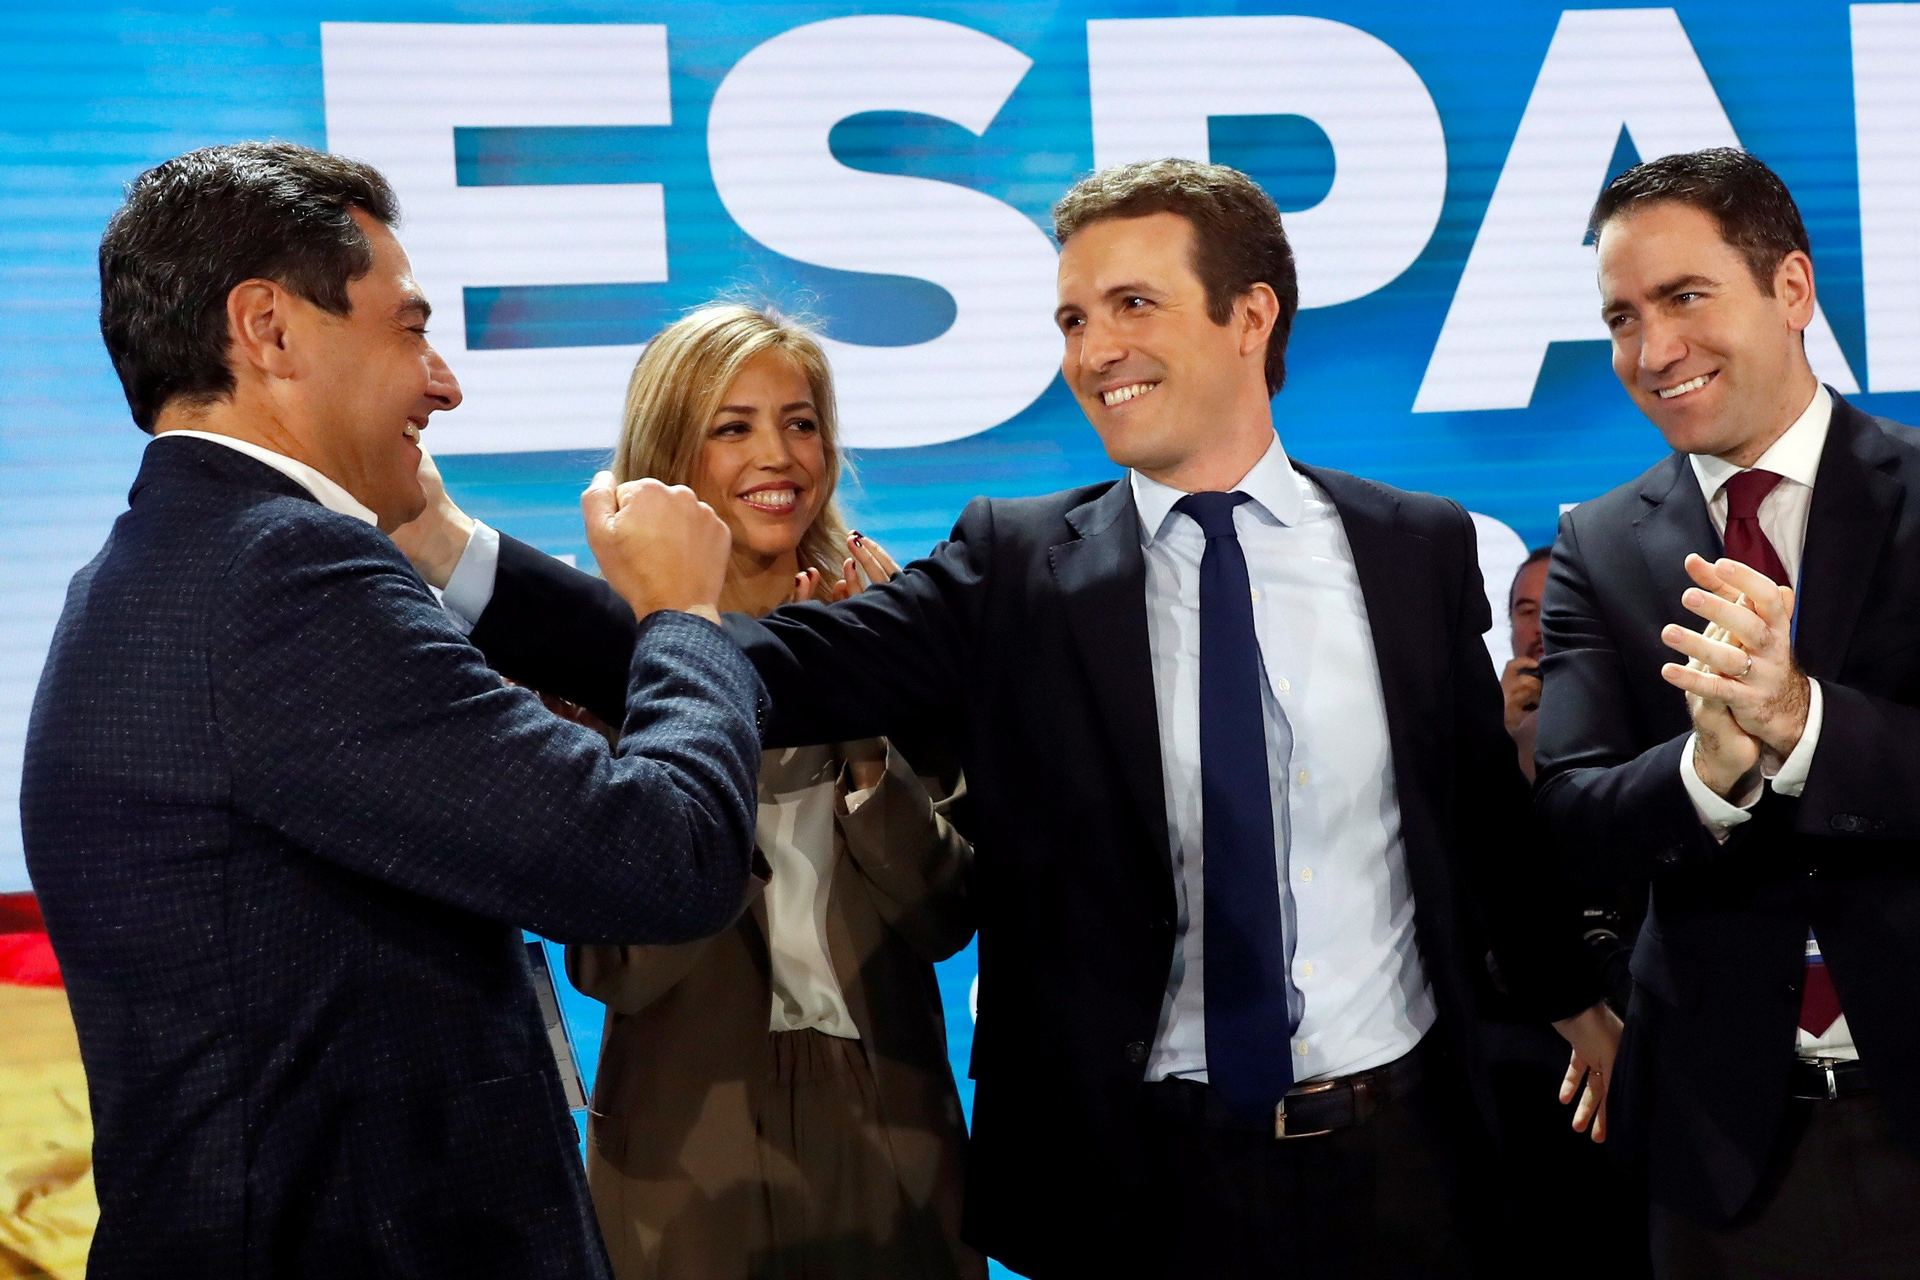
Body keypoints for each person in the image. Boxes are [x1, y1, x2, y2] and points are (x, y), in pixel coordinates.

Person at [406, 158, 1618, 1278]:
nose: (1094, 350)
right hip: (1142, 1180)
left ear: (1250, 316)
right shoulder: (1017, 562)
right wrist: (454, 552)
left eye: (1132, 305)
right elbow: (770, 665)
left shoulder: (1411, 545)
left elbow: (1478, 814)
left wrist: (1579, 1001)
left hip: (1400, 1161)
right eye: (1074, 319)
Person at [18, 141, 764, 1279]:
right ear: (268, 329)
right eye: (409, 328)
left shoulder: (152, 570)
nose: (443, 381)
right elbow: (666, 854)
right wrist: (685, 615)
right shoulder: (286, 576)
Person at [1536, 146, 1920, 1276]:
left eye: (1685, 297)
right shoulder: (1597, 546)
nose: (1652, 352)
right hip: (1729, 1154)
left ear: (1791, 289)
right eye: (1621, 318)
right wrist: (1705, 777)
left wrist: (1802, 724)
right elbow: (1569, 817)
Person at [557, 304, 980, 1280]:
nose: (778, 454)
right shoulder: (597, 657)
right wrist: (717, 705)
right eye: (733, 426)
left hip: (891, 1121)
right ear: (671, 451)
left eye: (800, 420)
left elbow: (945, 912)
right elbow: (617, 966)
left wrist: (857, 721)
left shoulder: (896, 637)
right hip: (682, 1139)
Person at [1502, 546, 1550, 777]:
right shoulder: (1470, 723)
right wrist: (1499, 733)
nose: (1541, 627)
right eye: (1528, 611)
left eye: (1554, 608)